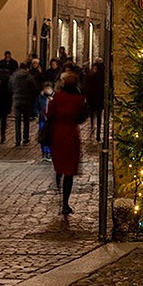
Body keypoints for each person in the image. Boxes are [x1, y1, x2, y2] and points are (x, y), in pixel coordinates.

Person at [47, 71, 87, 214]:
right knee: (69, 171)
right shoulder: (79, 100)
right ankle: (65, 203)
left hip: (57, 135)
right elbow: (82, 117)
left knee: (60, 164)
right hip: (71, 135)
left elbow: (49, 114)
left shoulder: (56, 98)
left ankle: (58, 175)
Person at [9, 62, 37, 146]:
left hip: (17, 100)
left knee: (17, 121)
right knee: (26, 120)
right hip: (26, 100)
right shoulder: (29, 77)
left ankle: (17, 139)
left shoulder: (13, 77)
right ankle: (25, 137)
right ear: (26, 69)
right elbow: (34, 89)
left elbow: (10, 88)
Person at [83, 58, 105, 141]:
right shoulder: (89, 76)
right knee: (92, 114)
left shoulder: (100, 77)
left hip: (99, 98)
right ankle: (92, 126)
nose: (94, 70)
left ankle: (98, 132)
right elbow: (86, 86)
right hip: (91, 98)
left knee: (99, 115)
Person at [37, 82, 53, 161]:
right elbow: (36, 106)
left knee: (50, 136)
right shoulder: (40, 97)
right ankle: (44, 152)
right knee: (43, 136)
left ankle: (49, 152)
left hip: (50, 120)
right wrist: (38, 114)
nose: (47, 90)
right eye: (46, 88)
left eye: (49, 88)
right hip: (43, 119)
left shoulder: (54, 97)